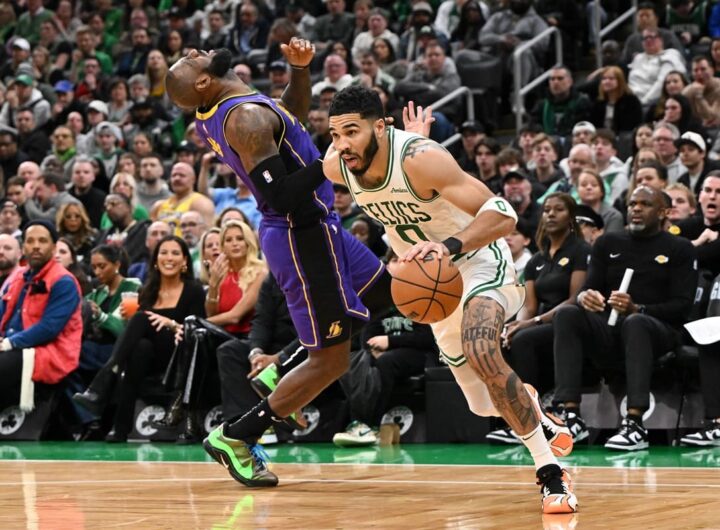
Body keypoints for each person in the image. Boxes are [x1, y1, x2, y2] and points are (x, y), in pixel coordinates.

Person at [324, 85, 577, 513]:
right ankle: (530, 402)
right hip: (430, 282)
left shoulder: (420, 160)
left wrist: (451, 244)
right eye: (334, 134)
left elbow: (503, 213)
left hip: (477, 258)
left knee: (482, 349)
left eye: (352, 131)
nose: (342, 144)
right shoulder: (337, 167)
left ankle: (551, 476)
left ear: (380, 128)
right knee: (483, 405)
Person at [165, 42, 393, 487]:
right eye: (190, 58)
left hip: (319, 223)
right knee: (331, 362)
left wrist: (300, 70)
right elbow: (279, 194)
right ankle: (236, 435)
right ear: (203, 81)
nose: (195, 50)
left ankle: (282, 366)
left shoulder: (244, 106)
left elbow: (287, 117)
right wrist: (330, 166)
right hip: (299, 232)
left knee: (385, 292)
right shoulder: (243, 118)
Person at [552, 186, 697, 451]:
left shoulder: (680, 248)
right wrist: (587, 298)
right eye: (632, 204)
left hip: (660, 332)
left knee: (635, 323)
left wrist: (638, 308)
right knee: (568, 314)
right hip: (611, 328)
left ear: (664, 212)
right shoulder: (608, 243)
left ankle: (635, 423)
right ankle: (570, 415)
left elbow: (682, 307)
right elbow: (589, 288)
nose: (636, 209)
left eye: (645, 204)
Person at [73, 236, 206, 441]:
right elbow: (138, 335)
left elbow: (197, 331)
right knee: (140, 348)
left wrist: (170, 323)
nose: (168, 258)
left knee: (141, 318)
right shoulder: (147, 291)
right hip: (151, 355)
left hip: (180, 352)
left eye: (175, 253)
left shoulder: (194, 290)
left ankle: (103, 381)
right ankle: (121, 428)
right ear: (155, 260)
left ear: (185, 261)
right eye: (163, 253)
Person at [487, 193, 590, 444]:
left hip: (572, 322)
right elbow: (529, 306)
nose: (551, 214)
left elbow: (574, 299)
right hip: (542, 324)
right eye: (547, 210)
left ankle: (532, 417)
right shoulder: (536, 260)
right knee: (509, 339)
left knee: (525, 339)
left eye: (559, 210)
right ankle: (516, 418)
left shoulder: (581, 251)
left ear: (571, 217)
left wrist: (529, 323)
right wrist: (513, 325)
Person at [0, 220, 83, 412]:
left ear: (54, 248)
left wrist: (7, 343)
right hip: (13, 346)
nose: (36, 246)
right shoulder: (19, 276)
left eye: (42, 241)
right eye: (30, 241)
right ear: (23, 248)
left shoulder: (64, 281)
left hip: (46, 351)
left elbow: (49, 328)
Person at [68, 245, 140, 432]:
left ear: (117, 264)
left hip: (117, 349)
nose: (97, 272)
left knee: (70, 357)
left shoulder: (132, 287)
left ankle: (91, 417)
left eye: (102, 266)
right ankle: (89, 417)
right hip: (94, 347)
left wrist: (100, 316)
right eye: (94, 267)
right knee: (66, 360)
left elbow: (123, 329)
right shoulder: (96, 293)